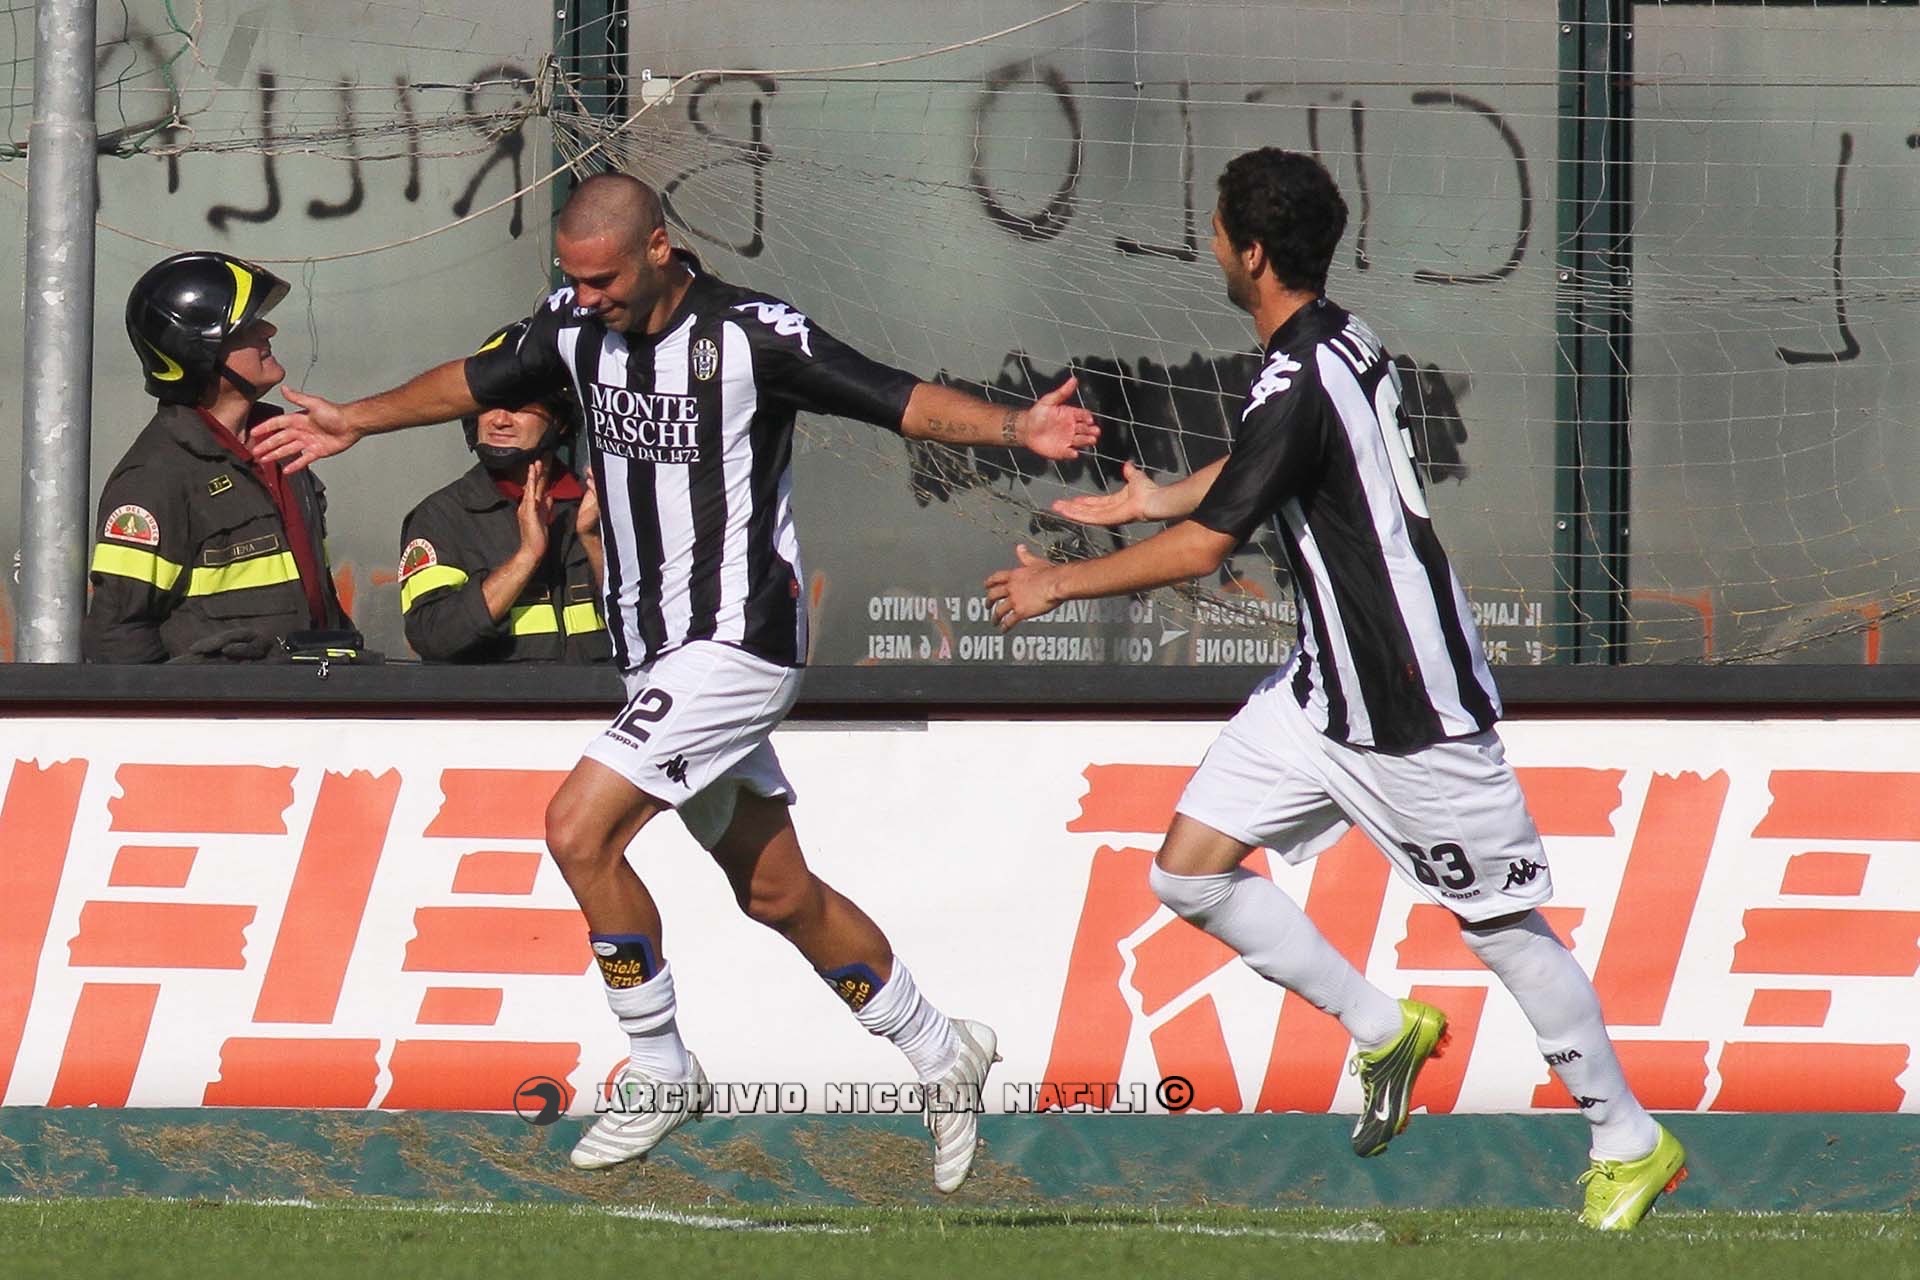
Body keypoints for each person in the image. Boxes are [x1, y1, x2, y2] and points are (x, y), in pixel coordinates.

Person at [250, 172, 1099, 1191]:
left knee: (576, 829)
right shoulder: (573, 326)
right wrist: (355, 418)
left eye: (602, 279)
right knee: (775, 890)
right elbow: (471, 381)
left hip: (738, 642)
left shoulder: (752, 335)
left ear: (658, 247)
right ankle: (940, 1046)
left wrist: (1017, 428)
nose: (587, 298)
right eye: (572, 280)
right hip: (655, 651)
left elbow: (896, 398)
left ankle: (659, 1065)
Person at [985, 148, 1686, 1231]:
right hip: (1323, 689)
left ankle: (1626, 1137)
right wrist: (1152, 498)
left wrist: (1056, 585)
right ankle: (1383, 1029)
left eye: (1218, 232)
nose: (1210, 245)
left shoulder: (1300, 373)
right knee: (1187, 872)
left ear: (1254, 253)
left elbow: (1210, 547)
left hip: (1407, 704)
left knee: (1502, 927)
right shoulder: (1335, 339)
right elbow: (1268, 463)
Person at [84, 251, 355, 663]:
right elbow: (116, 637)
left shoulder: (279, 445)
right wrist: (195, 701)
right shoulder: (156, 478)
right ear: (197, 351)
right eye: (246, 326)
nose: (269, 330)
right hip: (224, 705)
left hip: (307, 695)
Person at [398, 321, 610, 664]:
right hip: (495, 702)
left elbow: (648, 632)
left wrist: (592, 540)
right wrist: (526, 557)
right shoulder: (442, 516)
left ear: (560, 419)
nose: (499, 420)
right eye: (489, 403)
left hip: (599, 700)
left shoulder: (599, 508)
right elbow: (433, 637)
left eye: (519, 405)